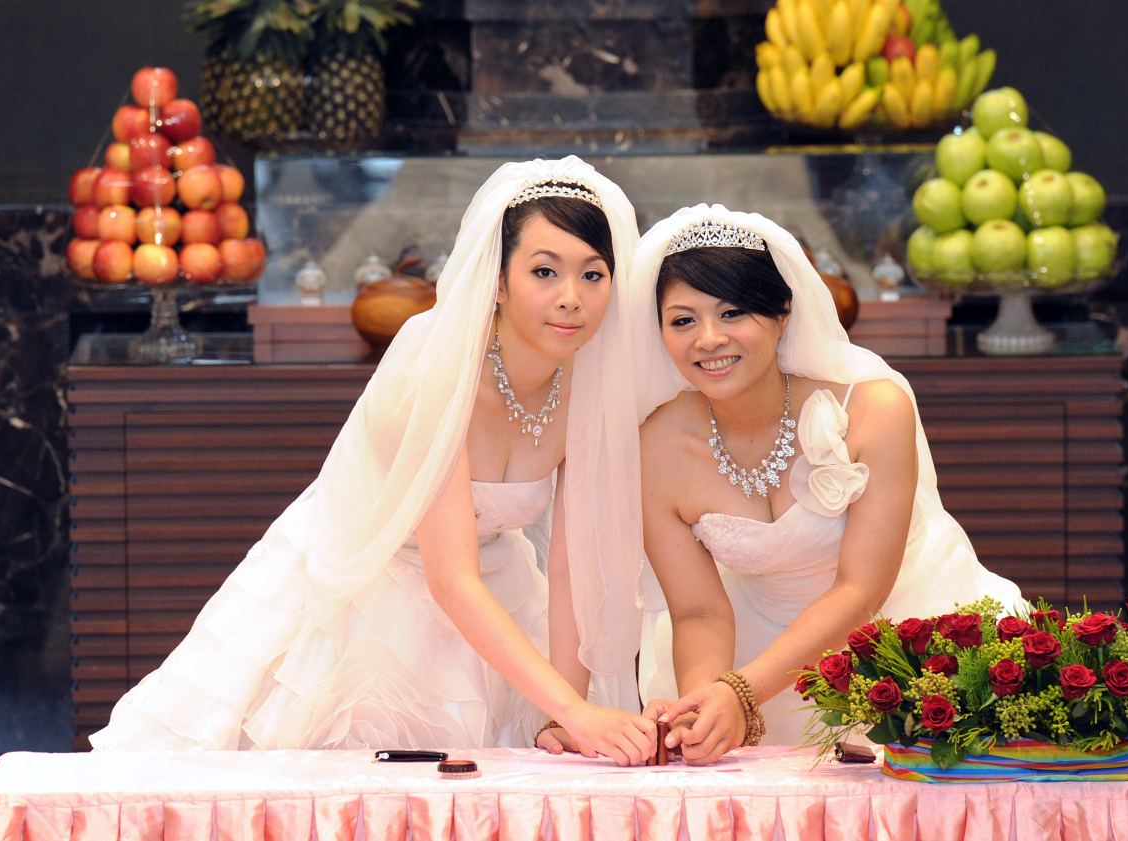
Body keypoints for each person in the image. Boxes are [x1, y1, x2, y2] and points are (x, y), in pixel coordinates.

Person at [90, 157, 656, 765]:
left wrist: (561, 712)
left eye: (593, 275)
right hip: (363, 599)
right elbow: (451, 580)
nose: (571, 299)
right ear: (497, 278)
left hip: (499, 592)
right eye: (544, 271)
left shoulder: (586, 385)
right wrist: (577, 713)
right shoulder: (437, 373)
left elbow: (569, 566)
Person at [628, 205, 1026, 764]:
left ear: (783, 313)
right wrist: (705, 700)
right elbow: (698, 611)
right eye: (683, 320)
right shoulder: (656, 446)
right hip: (749, 651)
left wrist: (743, 692)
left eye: (733, 312)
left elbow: (862, 586)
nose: (709, 339)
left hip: (907, 637)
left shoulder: (872, 409)